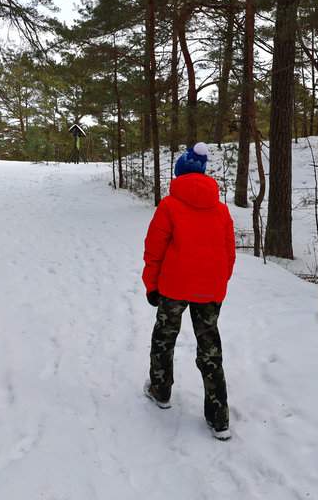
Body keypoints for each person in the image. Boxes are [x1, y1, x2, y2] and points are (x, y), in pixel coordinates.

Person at [141, 142, 236, 440]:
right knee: (210, 349)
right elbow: (229, 254)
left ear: (179, 173)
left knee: (164, 338)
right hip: (209, 290)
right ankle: (219, 418)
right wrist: (218, 283)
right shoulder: (221, 210)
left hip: (173, 287)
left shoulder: (169, 206)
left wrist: (151, 285)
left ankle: (160, 390)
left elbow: (154, 250)